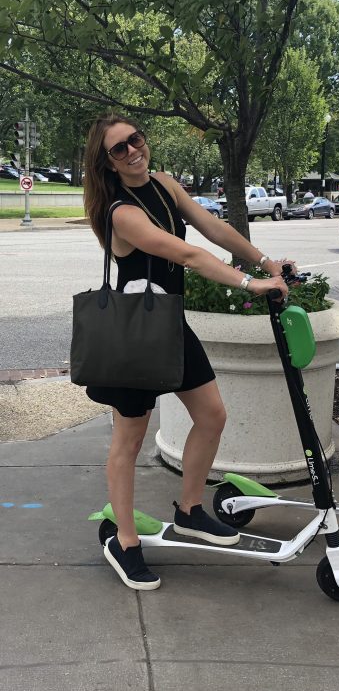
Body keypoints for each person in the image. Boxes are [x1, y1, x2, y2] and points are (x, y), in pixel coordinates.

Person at [83, 112, 295, 591]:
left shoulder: (164, 184)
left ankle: (190, 510)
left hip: (170, 325)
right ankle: (126, 541)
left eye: (135, 139)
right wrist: (250, 283)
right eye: (119, 148)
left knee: (212, 415)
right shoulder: (120, 211)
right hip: (133, 334)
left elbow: (211, 228)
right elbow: (184, 254)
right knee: (130, 440)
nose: (133, 150)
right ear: (108, 163)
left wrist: (265, 260)